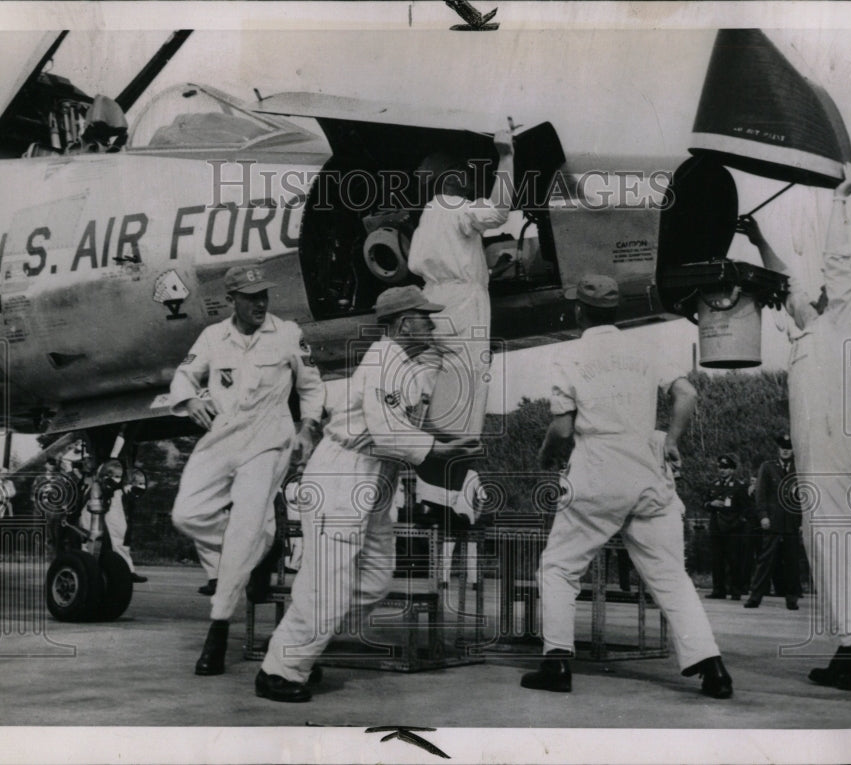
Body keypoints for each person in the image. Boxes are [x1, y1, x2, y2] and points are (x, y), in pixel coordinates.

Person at [256, 285, 480, 702]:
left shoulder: (406, 365)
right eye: (423, 316)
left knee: (375, 580)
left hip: (375, 479)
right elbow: (387, 432)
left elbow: (404, 428)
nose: (430, 322)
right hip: (343, 474)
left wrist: (448, 443)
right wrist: (439, 451)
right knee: (329, 585)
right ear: (400, 323)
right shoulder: (382, 361)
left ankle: (301, 638)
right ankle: (281, 671)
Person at [520, 273, 732, 699]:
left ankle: (557, 662)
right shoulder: (645, 346)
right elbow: (687, 394)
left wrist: (546, 457)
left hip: (597, 468)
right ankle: (713, 669)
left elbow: (562, 430)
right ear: (617, 310)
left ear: (579, 311)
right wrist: (670, 440)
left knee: (559, 567)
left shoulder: (569, 355)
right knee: (671, 575)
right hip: (647, 468)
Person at [736, 164, 851, 691]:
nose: (818, 289)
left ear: (850, 296)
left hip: (832, 445)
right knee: (832, 540)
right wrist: (758, 239)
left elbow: (836, 263)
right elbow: (789, 282)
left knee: (829, 537)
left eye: (832, 287)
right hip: (828, 447)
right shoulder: (817, 323)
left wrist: (840, 201)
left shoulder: (842, 319)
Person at [170, 264, 324, 676]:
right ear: (232, 300)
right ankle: (262, 548)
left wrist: (307, 429)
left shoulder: (287, 333)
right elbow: (184, 376)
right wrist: (189, 401)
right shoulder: (213, 337)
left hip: (269, 439)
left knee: (241, 528)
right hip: (224, 435)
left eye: (264, 295)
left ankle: (217, 630)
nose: (261, 303)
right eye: (251, 297)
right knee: (186, 514)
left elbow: (311, 386)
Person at [407, 128, 514, 526]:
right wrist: (506, 158)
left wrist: (487, 272)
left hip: (435, 300)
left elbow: (439, 264)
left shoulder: (428, 218)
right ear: (450, 180)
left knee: (435, 394)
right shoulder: (453, 206)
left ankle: (429, 495)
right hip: (464, 304)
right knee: (467, 396)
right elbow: (500, 211)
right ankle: (446, 499)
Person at [744, 435, 803, 609]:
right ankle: (755, 597)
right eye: (783, 447)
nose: (785, 450)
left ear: (793, 450)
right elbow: (760, 495)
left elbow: (804, 498)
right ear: (778, 449)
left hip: (792, 522)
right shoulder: (768, 467)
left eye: (789, 447)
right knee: (766, 561)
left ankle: (792, 598)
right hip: (773, 522)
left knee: (792, 562)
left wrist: (802, 522)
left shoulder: (800, 468)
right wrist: (763, 516)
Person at [704, 455, 751, 600]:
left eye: (726, 468)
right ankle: (719, 590)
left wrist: (738, 523)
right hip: (716, 527)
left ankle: (735, 590)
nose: (723, 471)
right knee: (717, 560)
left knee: (734, 559)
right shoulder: (714, 484)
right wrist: (711, 504)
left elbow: (747, 509)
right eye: (721, 467)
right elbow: (704, 503)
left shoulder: (739, 486)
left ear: (732, 470)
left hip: (732, 528)